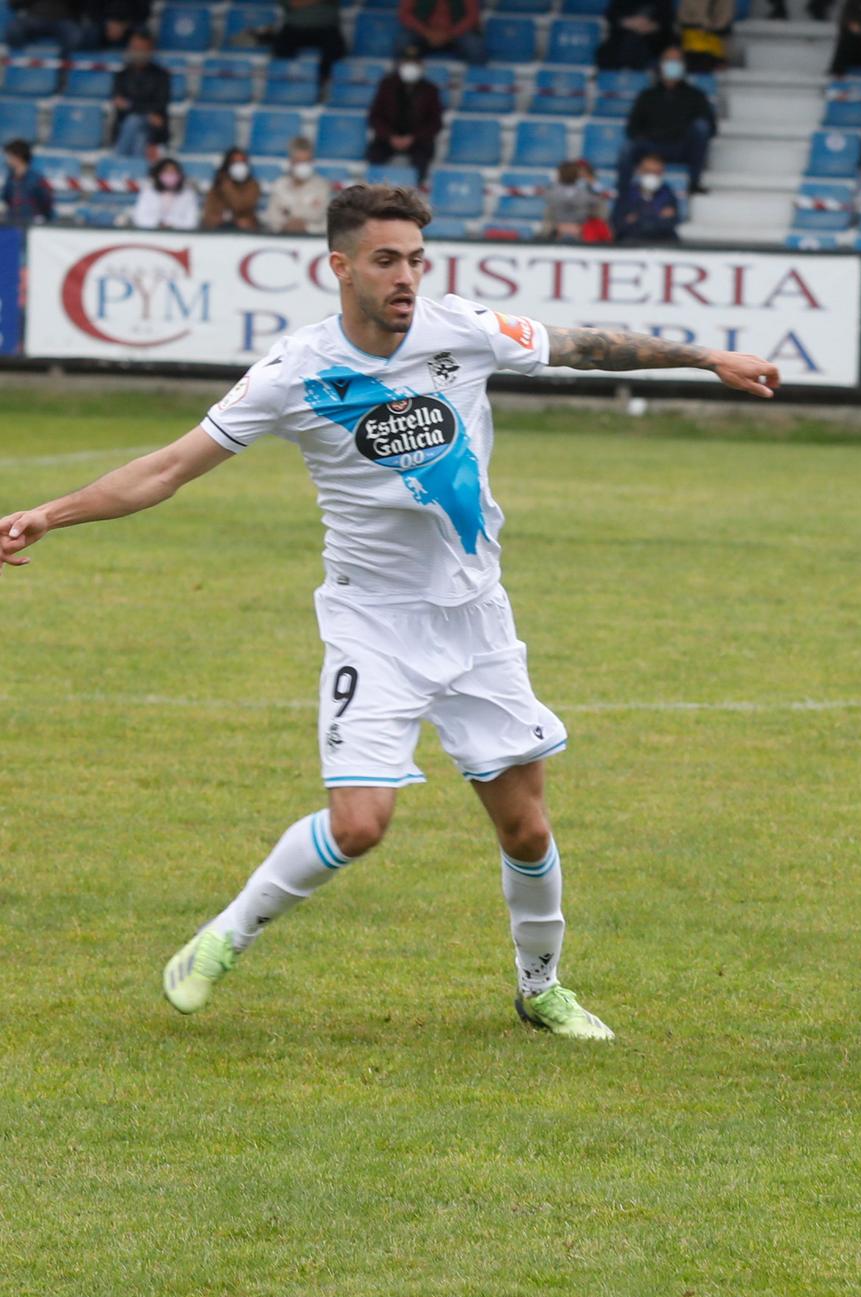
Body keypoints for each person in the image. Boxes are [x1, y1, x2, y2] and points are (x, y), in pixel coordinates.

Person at [0, 185, 781, 1038]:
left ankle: (542, 986)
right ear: (339, 266)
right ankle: (223, 936)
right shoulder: (297, 372)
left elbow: (584, 346)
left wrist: (709, 358)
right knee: (361, 823)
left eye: (415, 258)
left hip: (478, 618)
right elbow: (169, 467)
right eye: (385, 260)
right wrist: (50, 513)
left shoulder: (463, 329)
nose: (406, 275)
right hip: (373, 622)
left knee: (525, 826)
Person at [620, 48, 716, 194]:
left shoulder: (696, 95)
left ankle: (694, 184)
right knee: (628, 147)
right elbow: (632, 128)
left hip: (682, 148)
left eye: (677, 61)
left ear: (684, 65)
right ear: (660, 65)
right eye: (668, 60)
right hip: (652, 147)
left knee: (701, 127)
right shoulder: (647, 95)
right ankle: (623, 193)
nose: (672, 65)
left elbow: (711, 128)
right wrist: (649, 151)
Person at [367, 48, 445, 185]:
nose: (410, 67)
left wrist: (413, 138)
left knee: (421, 160)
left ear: (421, 66)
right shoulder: (387, 85)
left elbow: (435, 123)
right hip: (387, 138)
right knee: (374, 155)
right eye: (407, 63)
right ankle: (374, 192)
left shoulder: (430, 89)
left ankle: (415, 192)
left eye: (414, 63)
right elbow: (375, 117)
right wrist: (390, 136)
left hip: (418, 140)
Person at [110, 30, 172, 160]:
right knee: (138, 133)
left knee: (135, 122)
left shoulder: (161, 76)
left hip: (155, 131)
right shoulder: (122, 75)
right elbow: (118, 103)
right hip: (126, 127)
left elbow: (160, 105)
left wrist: (130, 105)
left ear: (150, 49)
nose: (137, 52)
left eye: (141, 48)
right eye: (134, 47)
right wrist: (146, 113)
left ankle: (118, 161)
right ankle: (136, 171)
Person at [270, 0, 349, 89]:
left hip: (327, 28)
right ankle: (289, 82)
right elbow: (292, 3)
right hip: (294, 27)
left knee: (335, 49)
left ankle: (324, 83)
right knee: (280, 48)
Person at [265, 136, 333, 235]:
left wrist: (306, 227)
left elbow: (327, 223)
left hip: (312, 242)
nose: (303, 166)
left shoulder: (322, 187)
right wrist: (285, 226)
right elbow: (271, 218)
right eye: (299, 161)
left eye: (306, 161)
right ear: (291, 162)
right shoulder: (279, 186)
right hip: (282, 238)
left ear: (312, 162)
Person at [614, 152, 681, 243]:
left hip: (662, 242)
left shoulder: (668, 193)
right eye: (647, 171)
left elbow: (672, 222)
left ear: (662, 173)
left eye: (656, 172)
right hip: (631, 241)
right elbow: (619, 223)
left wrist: (637, 218)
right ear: (639, 170)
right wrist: (658, 216)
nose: (651, 176)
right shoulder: (627, 193)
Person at [596, 0, 676, 72]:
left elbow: (668, 19)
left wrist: (650, 26)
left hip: (655, 42)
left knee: (673, 51)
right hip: (623, 39)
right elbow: (612, 15)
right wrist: (630, 23)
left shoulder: (664, 2)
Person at [540, 159, 609, 241]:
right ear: (577, 175)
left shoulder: (551, 191)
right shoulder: (585, 191)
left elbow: (547, 197)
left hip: (569, 228)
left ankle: (545, 236)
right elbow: (597, 202)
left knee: (548, 211)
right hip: (573, 227)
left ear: (560, 174)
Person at [399, 0, 487, 65]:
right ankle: (403, 84)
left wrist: (451, 33)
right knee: (403, 42)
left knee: (475, 47)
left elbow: (473, 15)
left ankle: (477, 85)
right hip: (424, 32)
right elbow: (404, 14)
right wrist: (426, 32)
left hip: (455, 33)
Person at [201, 147, 263, 232]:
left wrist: (227, 186)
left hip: (245, 232)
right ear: (228, 164)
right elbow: (209, 213)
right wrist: (216, 219)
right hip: (218, 231)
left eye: (242, 162)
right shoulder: (217, 185)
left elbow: (240, 206)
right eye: (235, 162)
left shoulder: (253, 186)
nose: (239, 166)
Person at [131, 155, 198, 230]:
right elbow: (139, 218)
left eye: (173, 172)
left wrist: (171, 224)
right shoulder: (148, 193)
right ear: (158, 174)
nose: (170, 175)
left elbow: (192, 222)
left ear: (180, 175)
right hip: (151, 235)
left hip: (179, 236)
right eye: (166, 172)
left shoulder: (188, 195)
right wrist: (158, 223)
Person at [2, 140, 56, 225]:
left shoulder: (37, 179)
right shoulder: (10, 177)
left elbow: (46, 202)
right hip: (11, 222)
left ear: (18, 157)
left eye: (9, 156)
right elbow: (7, 198)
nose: (7, 160)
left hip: (32, 223)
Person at [5, 0, 84, 56]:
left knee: (74, 36)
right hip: (34, 17)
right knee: (14, 30)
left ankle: (64, 70)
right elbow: (14, 4)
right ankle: (19, 63)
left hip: (63, 19)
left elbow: (81, 6)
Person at [676, 0, 733, 74]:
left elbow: (724, 17)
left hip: (714, 39)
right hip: (693, 38)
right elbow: (687, 16)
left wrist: (713, 28)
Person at [81, 0, 150, 52]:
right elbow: (92, 10)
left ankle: (138, 65)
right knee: (91, 32)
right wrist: (107, 24)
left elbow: (144, 11)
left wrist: (125, 25)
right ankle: (90, 62)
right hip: (104, 24)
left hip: (130, 24)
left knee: (142, 33)